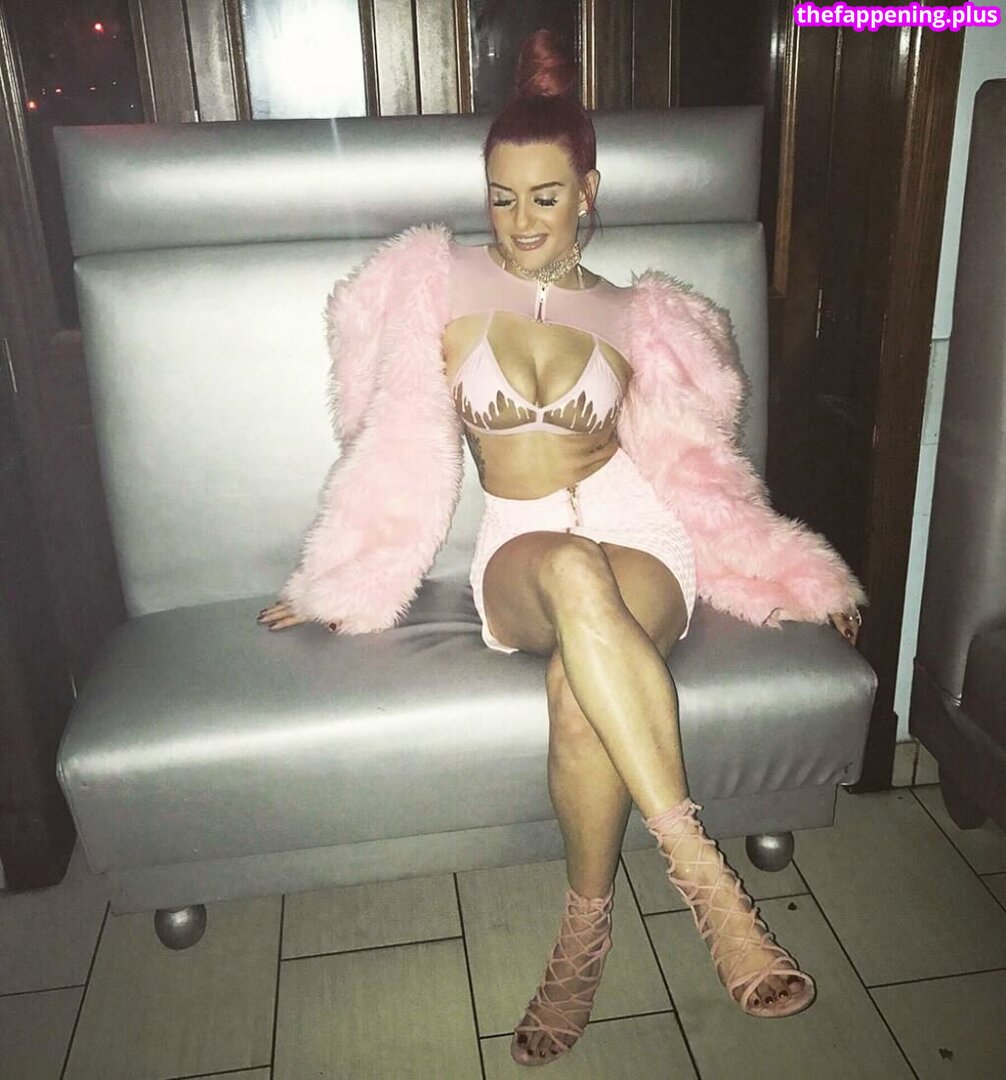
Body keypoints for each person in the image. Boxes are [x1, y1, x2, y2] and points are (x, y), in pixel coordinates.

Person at [258, 29, 866, 1068]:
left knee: (576, 692)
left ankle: (580, 944)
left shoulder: (644, 316)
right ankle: (708, 884)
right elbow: (392, 448)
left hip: (643, 537)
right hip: (523, 549)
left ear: (588, 191)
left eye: (545, 196)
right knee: (573, 574)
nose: (522, 219)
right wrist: (341, 579)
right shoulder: (434, 288)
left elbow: (704, 473)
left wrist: (786, 573)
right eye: (501, 197)